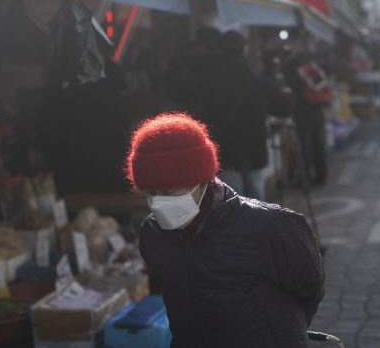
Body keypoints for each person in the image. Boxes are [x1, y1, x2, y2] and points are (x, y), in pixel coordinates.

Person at [126, 113, 325, 348]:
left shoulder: (268, 224)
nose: (158, 203)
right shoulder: (153, 234)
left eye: (169, 193)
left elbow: (309, 288)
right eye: (151, 193)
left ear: (203, 181)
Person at [168, 29, 294, 200]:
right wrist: (288, 94)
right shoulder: (259, 83)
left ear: (219, 52)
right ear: (244, 50)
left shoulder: (207, 85)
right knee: (256, 202)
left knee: (232, 205)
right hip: (253, 152)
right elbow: (284, 109)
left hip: (224, 153)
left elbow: (195, 119)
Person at [281, 51, 330, 186]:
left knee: (304, 148)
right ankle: (321, 177)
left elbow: (290, 93)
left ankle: (305, 179)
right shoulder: (310, 66)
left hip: (302, 114)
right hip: (318, 113)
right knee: (319, 146)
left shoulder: (288, 69)